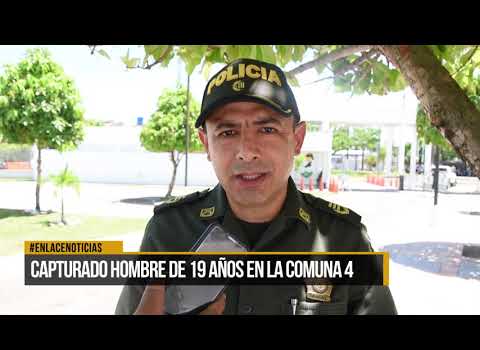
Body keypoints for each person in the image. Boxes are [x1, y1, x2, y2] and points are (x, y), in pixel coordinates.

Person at [115, 58, 397, 315]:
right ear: (206, 144)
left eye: (267, 129)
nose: (246, 151)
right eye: (227, 132)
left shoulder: (345, 240)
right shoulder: (167, 234)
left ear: (297, 140)